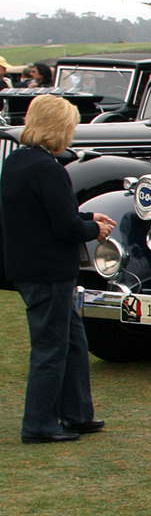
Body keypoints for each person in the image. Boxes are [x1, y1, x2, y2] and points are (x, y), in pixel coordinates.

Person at [1, 95, 116, 443]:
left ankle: (77, 412)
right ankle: (38, 425)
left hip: (28, 267)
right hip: (48, 270)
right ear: (59, 129)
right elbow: (63, 227)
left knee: (72, 339)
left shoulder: (17, 162)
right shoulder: (49, 168)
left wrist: (85, 218)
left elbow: (41, 216)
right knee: (51, 347)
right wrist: (92, 230)